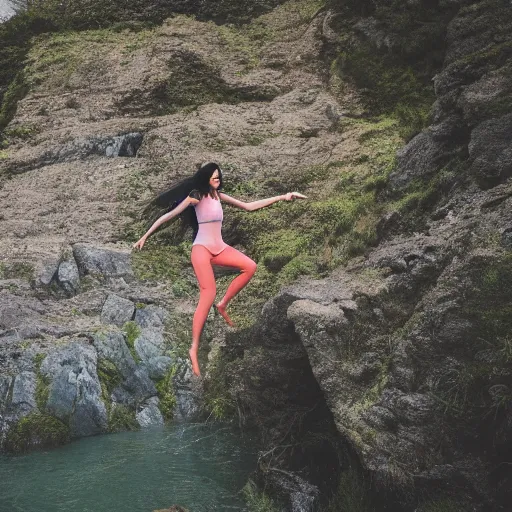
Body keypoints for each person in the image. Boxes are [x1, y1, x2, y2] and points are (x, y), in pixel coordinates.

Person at [133, 162, 306, 376]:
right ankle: (193, 348)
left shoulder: (219, 197)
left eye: (218, 176)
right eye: (214, 176)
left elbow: (249, 206)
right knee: (208, 293)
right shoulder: (196, 196)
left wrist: (284, 196)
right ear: (206, 178)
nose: (217, 179)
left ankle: (223, 304)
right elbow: (169, 215)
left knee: (250, 266)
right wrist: (145, 236)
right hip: (202, 250)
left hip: (220, 248)